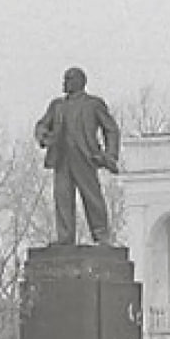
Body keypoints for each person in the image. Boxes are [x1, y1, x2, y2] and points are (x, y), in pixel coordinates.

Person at [34, 66, 121, 246]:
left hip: (85, 157)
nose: (64, 83)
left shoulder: (93, 104)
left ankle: (101, 235)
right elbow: (42, 124)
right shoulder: (57, 105)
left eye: (68, 79)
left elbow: (111, 129)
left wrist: (110, 154)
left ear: (80, 81)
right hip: (61, 158)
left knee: (92, 196)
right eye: (65, 79)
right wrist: (43, 135)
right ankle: (65, 237)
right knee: (62, 198)